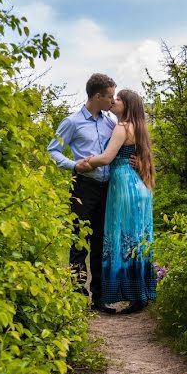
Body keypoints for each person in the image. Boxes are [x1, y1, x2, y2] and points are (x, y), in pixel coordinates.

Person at [78, 89, 157, 314]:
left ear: (128, 105)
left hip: (123, 184)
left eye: (119, 99)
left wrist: (84, 163)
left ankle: (133, 295)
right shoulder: (137, 127)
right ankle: (140, 294)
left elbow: (107, 158)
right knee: (137, 239)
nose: (114, 101)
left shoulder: (122, 127)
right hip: (138, 186)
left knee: (123, 239)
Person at [47, 73, 118, 314]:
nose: (112, 100)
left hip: (107, 188)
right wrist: (73, 165)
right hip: (83, 187)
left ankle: (99, 298)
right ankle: (78, 299)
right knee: (79, 242)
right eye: (109, 96)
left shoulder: (109, 122)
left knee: (100, 242)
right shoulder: (72, 122)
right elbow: (53, 150)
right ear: (97, 96)